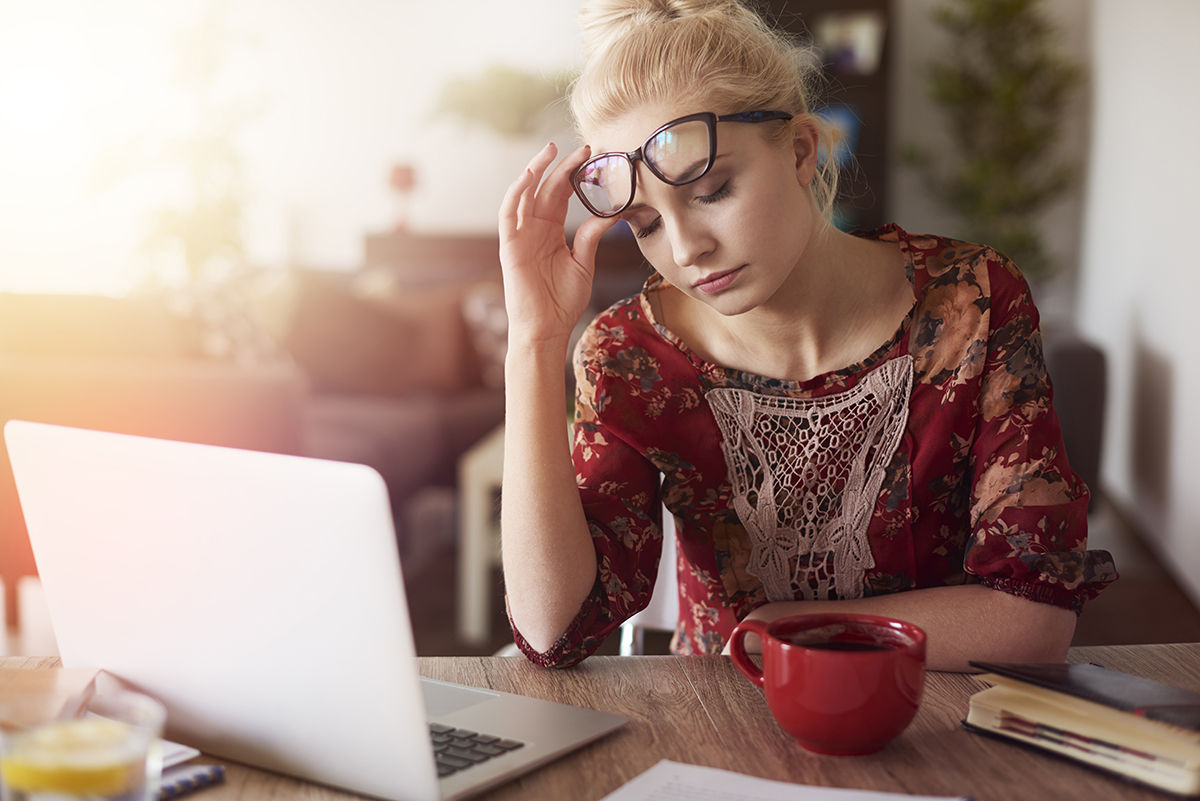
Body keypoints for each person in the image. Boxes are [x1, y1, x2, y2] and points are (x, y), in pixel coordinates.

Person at [497, 0, 1117, 672]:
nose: (686, 248)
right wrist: (533, 341)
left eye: (711, 191)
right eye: (645, 222)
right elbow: (553, 630)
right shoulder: (632, 358)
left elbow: (1033, 619)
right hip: (721, 736)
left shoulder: (975, 302)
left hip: (936, 730)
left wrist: (792, 627)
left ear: (799, 151)